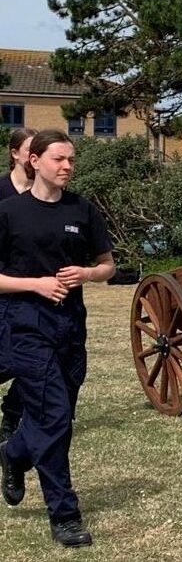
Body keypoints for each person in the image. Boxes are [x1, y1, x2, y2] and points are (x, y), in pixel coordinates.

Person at [0, 130, 115, 548]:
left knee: (58, 417)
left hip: (71, 328)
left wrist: (86, 274)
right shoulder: (9, 212)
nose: (67, 166)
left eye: (71, 159)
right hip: (27, 326)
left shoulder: (83, 210)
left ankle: (13, 453)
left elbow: (107, 265)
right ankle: (64, 515)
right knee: (51, 418)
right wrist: (36, 284)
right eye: (59, 159)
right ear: (34, 161)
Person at [0, 128, 38, 443]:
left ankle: (12, 416)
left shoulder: (45, 194)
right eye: (30, 149)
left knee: (38, 359)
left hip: (34, 292)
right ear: (15, 153)